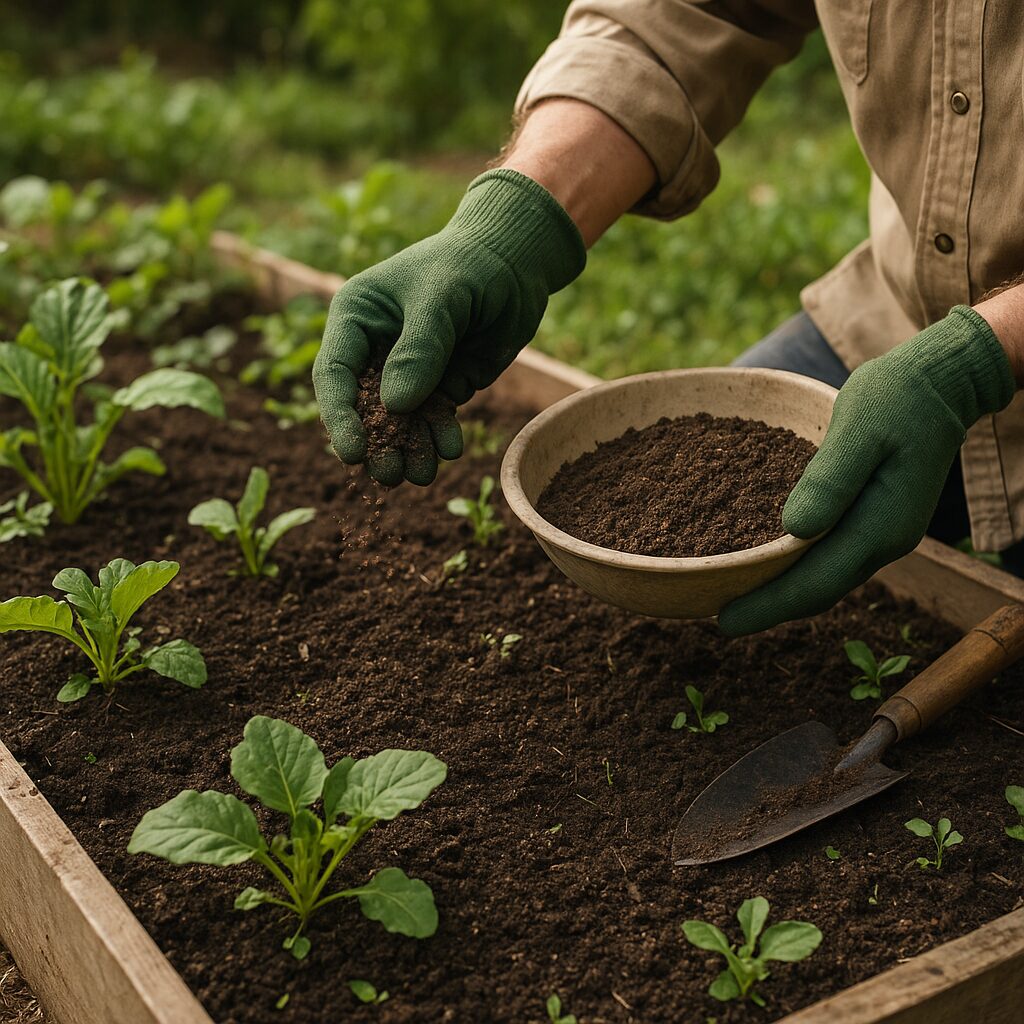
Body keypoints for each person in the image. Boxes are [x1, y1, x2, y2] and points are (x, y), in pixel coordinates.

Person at [313, 1, 1024, 636]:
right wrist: (512, 225)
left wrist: (969, 365)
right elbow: (682, 14)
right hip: (898, 319)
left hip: (973, 353)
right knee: (716, 542)